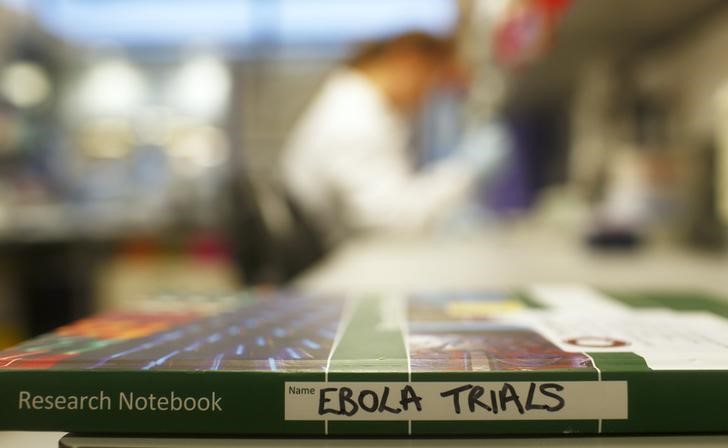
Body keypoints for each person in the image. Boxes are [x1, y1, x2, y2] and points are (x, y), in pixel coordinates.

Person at [281, 32, 482, 248]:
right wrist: (464, 175)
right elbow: (388, 219)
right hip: (327, 258)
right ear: (411, 64)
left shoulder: (368, 106)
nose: (426, 96)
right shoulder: (354, 117)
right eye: (431, 80)